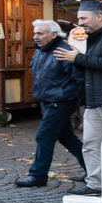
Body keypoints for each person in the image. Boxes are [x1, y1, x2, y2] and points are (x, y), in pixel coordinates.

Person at [53, 1, 102, 196]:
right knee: (91, 145)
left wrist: (77, 59)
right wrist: (76, 60)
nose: (80, 22)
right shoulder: (95, 36)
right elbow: (93, 67)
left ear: (100, 17)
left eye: (83, 18)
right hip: (94, 101)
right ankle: (95, 185)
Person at [16, 20, 85, 188]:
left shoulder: (65, 51)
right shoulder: (40, 52)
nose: (35, 36)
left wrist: (65, 97)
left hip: (60, 102)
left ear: (54, 35)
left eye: (40, 33)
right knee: (67, 137)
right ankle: (94, 169)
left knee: (44, 136)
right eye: (35, 33)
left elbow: (79, 79)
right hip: (47, 101)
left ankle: (38, 175)